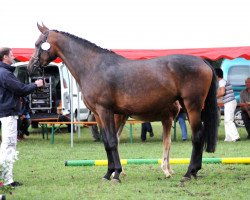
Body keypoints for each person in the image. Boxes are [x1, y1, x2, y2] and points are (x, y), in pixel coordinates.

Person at [0, 47, 44, 187]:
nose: (13, 56)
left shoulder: (4, 72)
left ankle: (5, 178)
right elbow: (21, 89)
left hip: (6, 113)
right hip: (8, 114)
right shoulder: (5, 73)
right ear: (5, 57)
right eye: (11, 54)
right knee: (9, 146)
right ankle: (7, 181)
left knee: (6, 146)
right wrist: (35, 85)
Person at [215, 68, 240, 142]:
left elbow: (222, 92)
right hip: (229, 102)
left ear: (217, 76)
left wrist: (214, 97)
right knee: (226, 120)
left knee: (229, 120)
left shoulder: (221, 81)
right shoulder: (223, 81)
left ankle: (236, 137)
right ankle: (228, 138)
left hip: (230, 102)